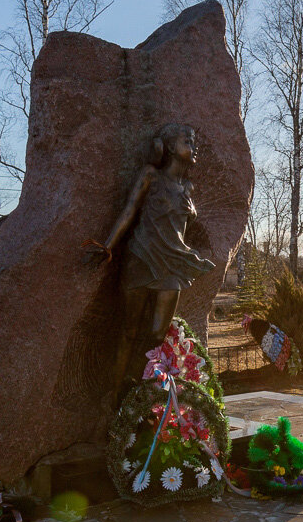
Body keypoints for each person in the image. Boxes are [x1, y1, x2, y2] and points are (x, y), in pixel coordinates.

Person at [85, 123, 215, 392]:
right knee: (127, 332)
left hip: (173, 266)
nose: (194, 146)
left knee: (157, 335)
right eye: (187, 141)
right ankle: (112, 398)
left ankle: (140, 397)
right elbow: (129, 210)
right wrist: (108, 246)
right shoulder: (151, 176)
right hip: (141, 258)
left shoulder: (187, 188)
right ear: (169, 147)